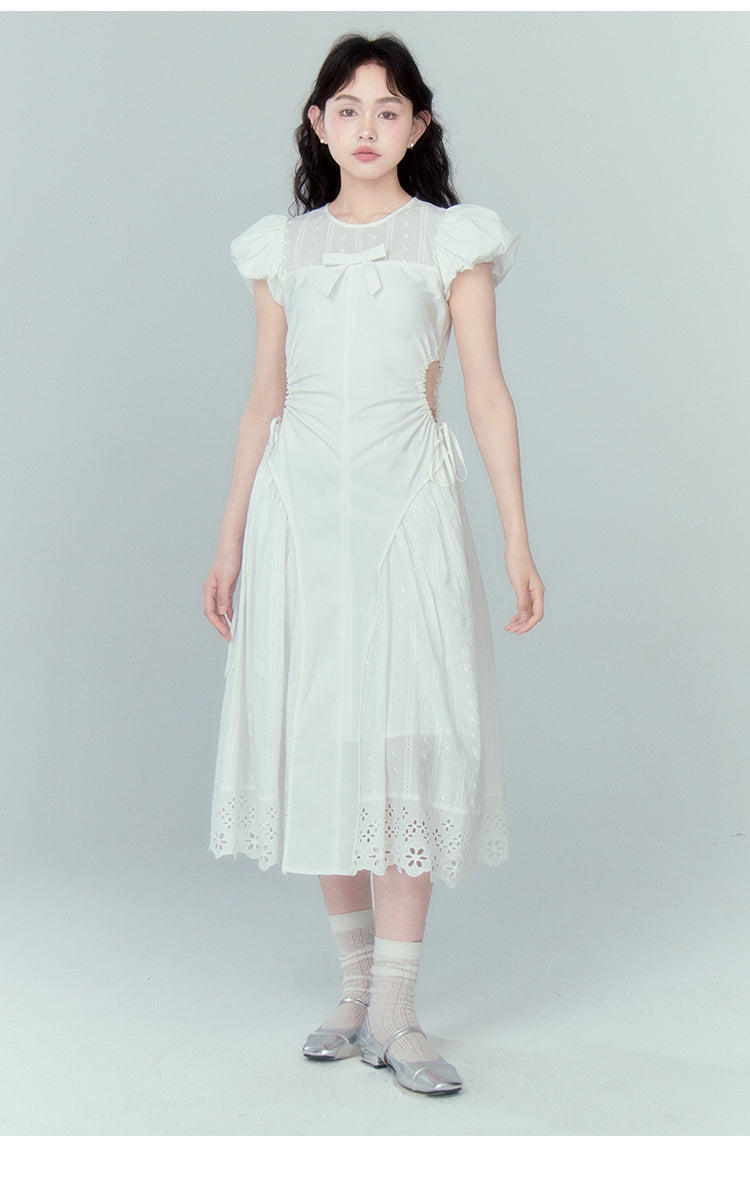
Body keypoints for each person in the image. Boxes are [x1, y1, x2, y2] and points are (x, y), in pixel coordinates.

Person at [203, 32, 544, 1097]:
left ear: (418, 125)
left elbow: (486, 394)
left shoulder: (451, 241)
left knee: (404, 741)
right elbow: (264, 399)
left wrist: (517, 536)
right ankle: (355, 993)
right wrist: (230, 538)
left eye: (388, 109)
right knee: (324, 738)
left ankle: (398, 1011)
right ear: (317, 124)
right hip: (299, 518)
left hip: (406, 510)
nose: (365, 126)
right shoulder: (283, 251)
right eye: (346, 108)